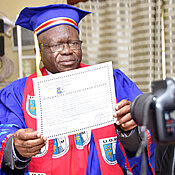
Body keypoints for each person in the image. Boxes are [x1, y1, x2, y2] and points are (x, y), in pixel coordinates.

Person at [0, 4, 155, 175]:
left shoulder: (112, 82)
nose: (67, 50)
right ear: (39, 51)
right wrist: (16, 148)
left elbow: (143, 141)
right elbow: (6, 137)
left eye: (73, 43)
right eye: (56, 45)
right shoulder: (17, 94)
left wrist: (129, 130)